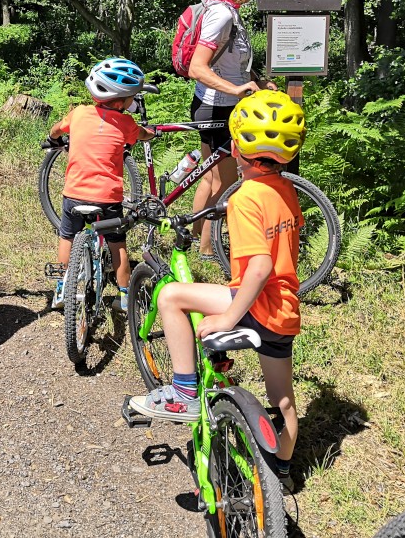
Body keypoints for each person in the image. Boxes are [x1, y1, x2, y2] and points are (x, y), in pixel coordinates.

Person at [128, 89, 305, 491]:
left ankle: (183, 391)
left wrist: (227, 317)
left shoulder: (245, 198)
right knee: (284, 401)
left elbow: (259, 266)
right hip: (284, 311)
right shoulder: (285, 190)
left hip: (254, 305)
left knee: (171, 296)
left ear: (237, 148)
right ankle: (281, 475)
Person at [46, 58, 157, 311]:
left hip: (74, 195)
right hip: (108, 199)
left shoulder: (78, 113)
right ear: (120, 102)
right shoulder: (126, 123)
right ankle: (125, 296)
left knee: (67, 236)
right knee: (117, 244)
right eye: (131, 98)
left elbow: (56, 130)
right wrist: (150, 133)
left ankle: (61, 288)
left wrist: (54, 138)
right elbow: (141, 135)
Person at [187, 0, 276, 256]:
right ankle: (208, 251)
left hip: (215, 105)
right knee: (224, 184)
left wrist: (257, 81)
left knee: (212, 179)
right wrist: (235, 90)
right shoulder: (222, 15)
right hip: (217, 108)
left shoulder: (226, 11)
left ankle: (192, 239)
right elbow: (197, 67)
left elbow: (230, 64)